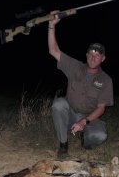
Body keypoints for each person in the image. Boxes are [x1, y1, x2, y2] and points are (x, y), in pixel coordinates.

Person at [48, 11, 114, 159]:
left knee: (100, 135)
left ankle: (85, 138)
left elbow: (101, 108)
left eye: (97, 55)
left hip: (89, 117)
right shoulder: (75, 66)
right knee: (59, 104)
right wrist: (51, 26)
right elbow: (53, 51)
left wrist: (85, 121)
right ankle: (63, 145)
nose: (93, 57)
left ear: (103, 59)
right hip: (70, 113)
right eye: (91, 53)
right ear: (86, 55)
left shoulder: (106, 79)